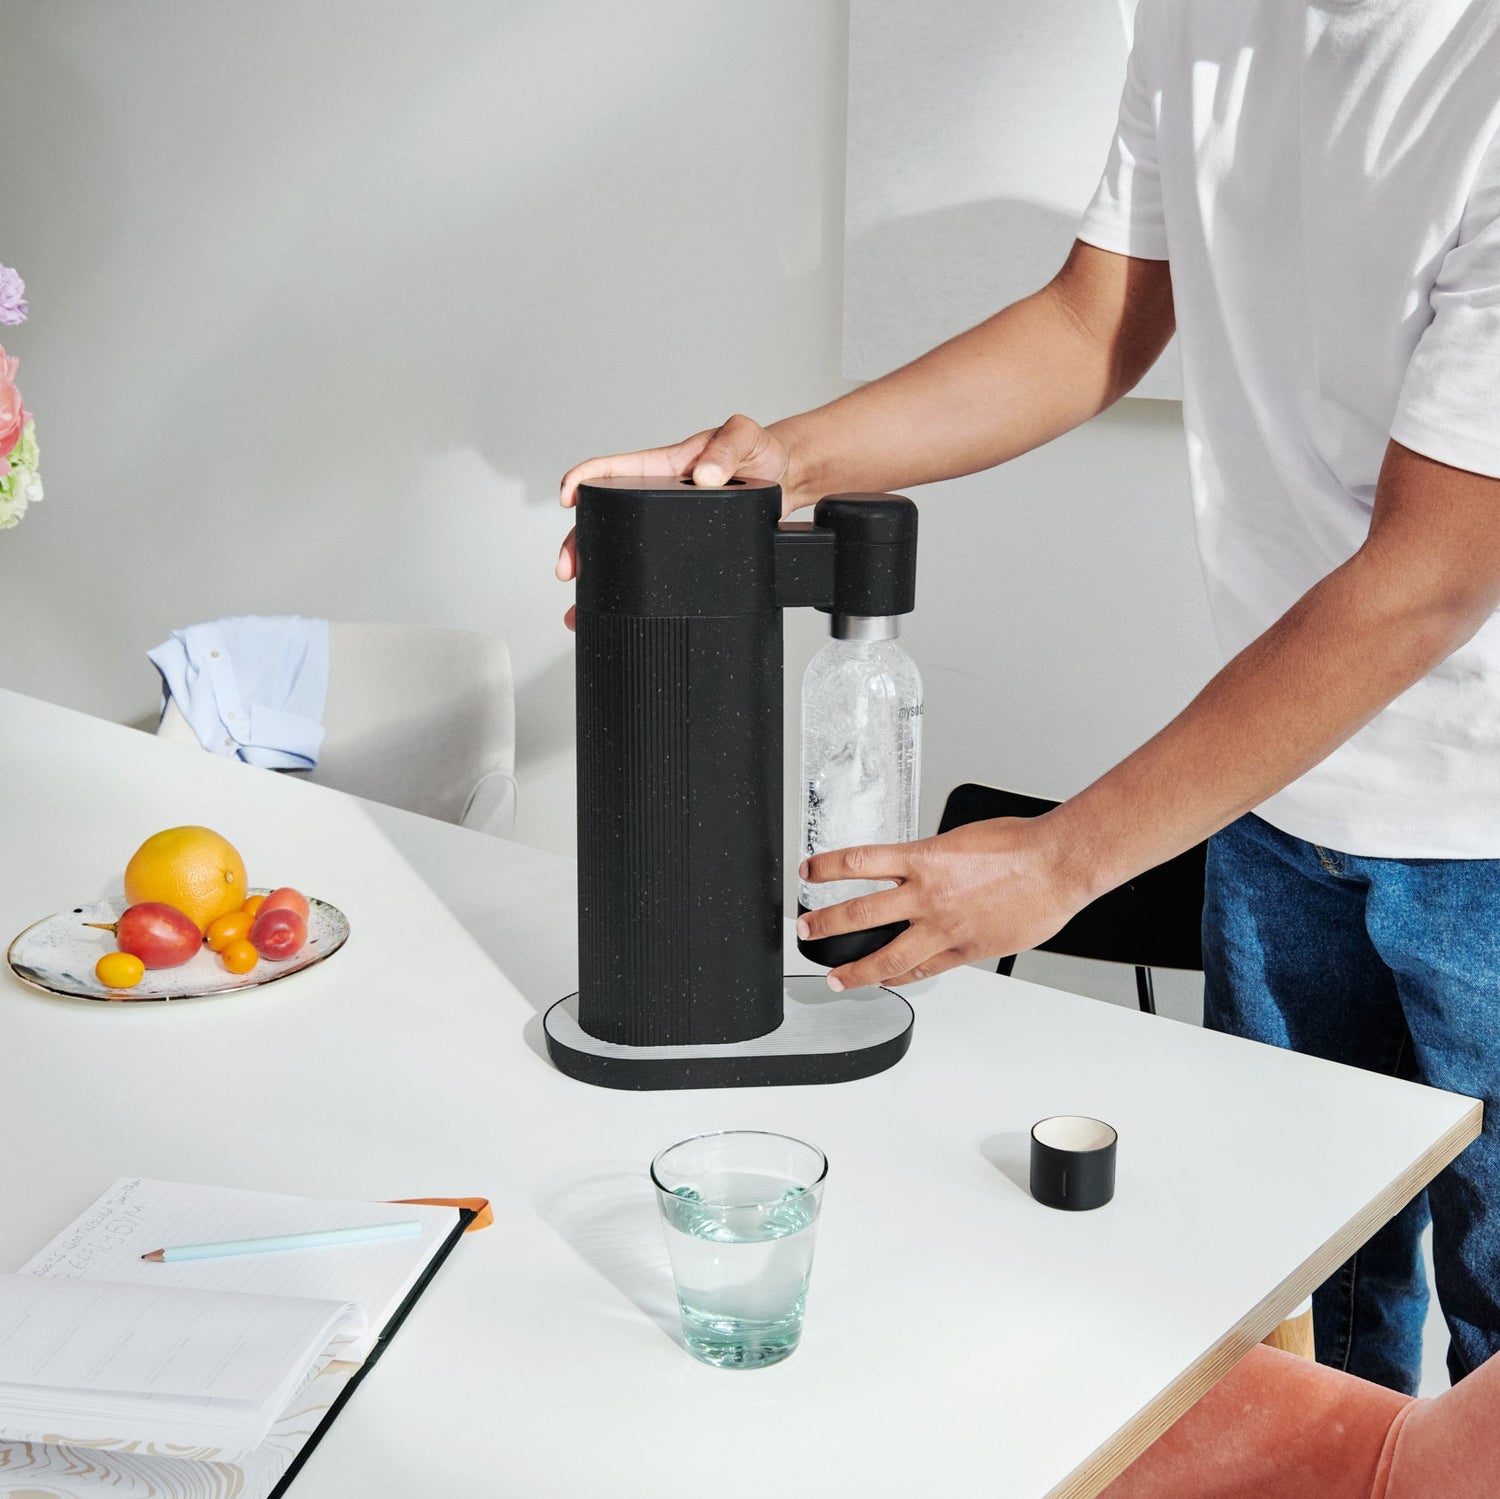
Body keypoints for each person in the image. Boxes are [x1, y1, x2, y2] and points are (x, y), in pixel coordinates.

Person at [557, 0, 1500, 1395]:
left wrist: (1065, 858)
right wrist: (784, 462)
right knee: (1306, 1305)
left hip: (1482, 820)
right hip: (1273, 785)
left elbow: (1426, 577)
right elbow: (1090, 323)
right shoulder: (1205, 15)